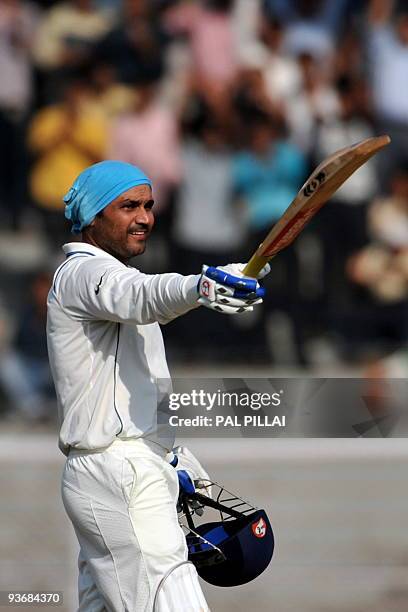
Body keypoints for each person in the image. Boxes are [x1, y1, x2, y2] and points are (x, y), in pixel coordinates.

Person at [46, 160, 269, 611]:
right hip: (117, 474)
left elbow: (133, 388)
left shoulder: (112, 279)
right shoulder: (82, 274)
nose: (145, 217)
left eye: (148, 205)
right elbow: (143, 295)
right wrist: (201, 287)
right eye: (128, 206)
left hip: (128, 468)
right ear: (92, 216)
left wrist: (174, 458)